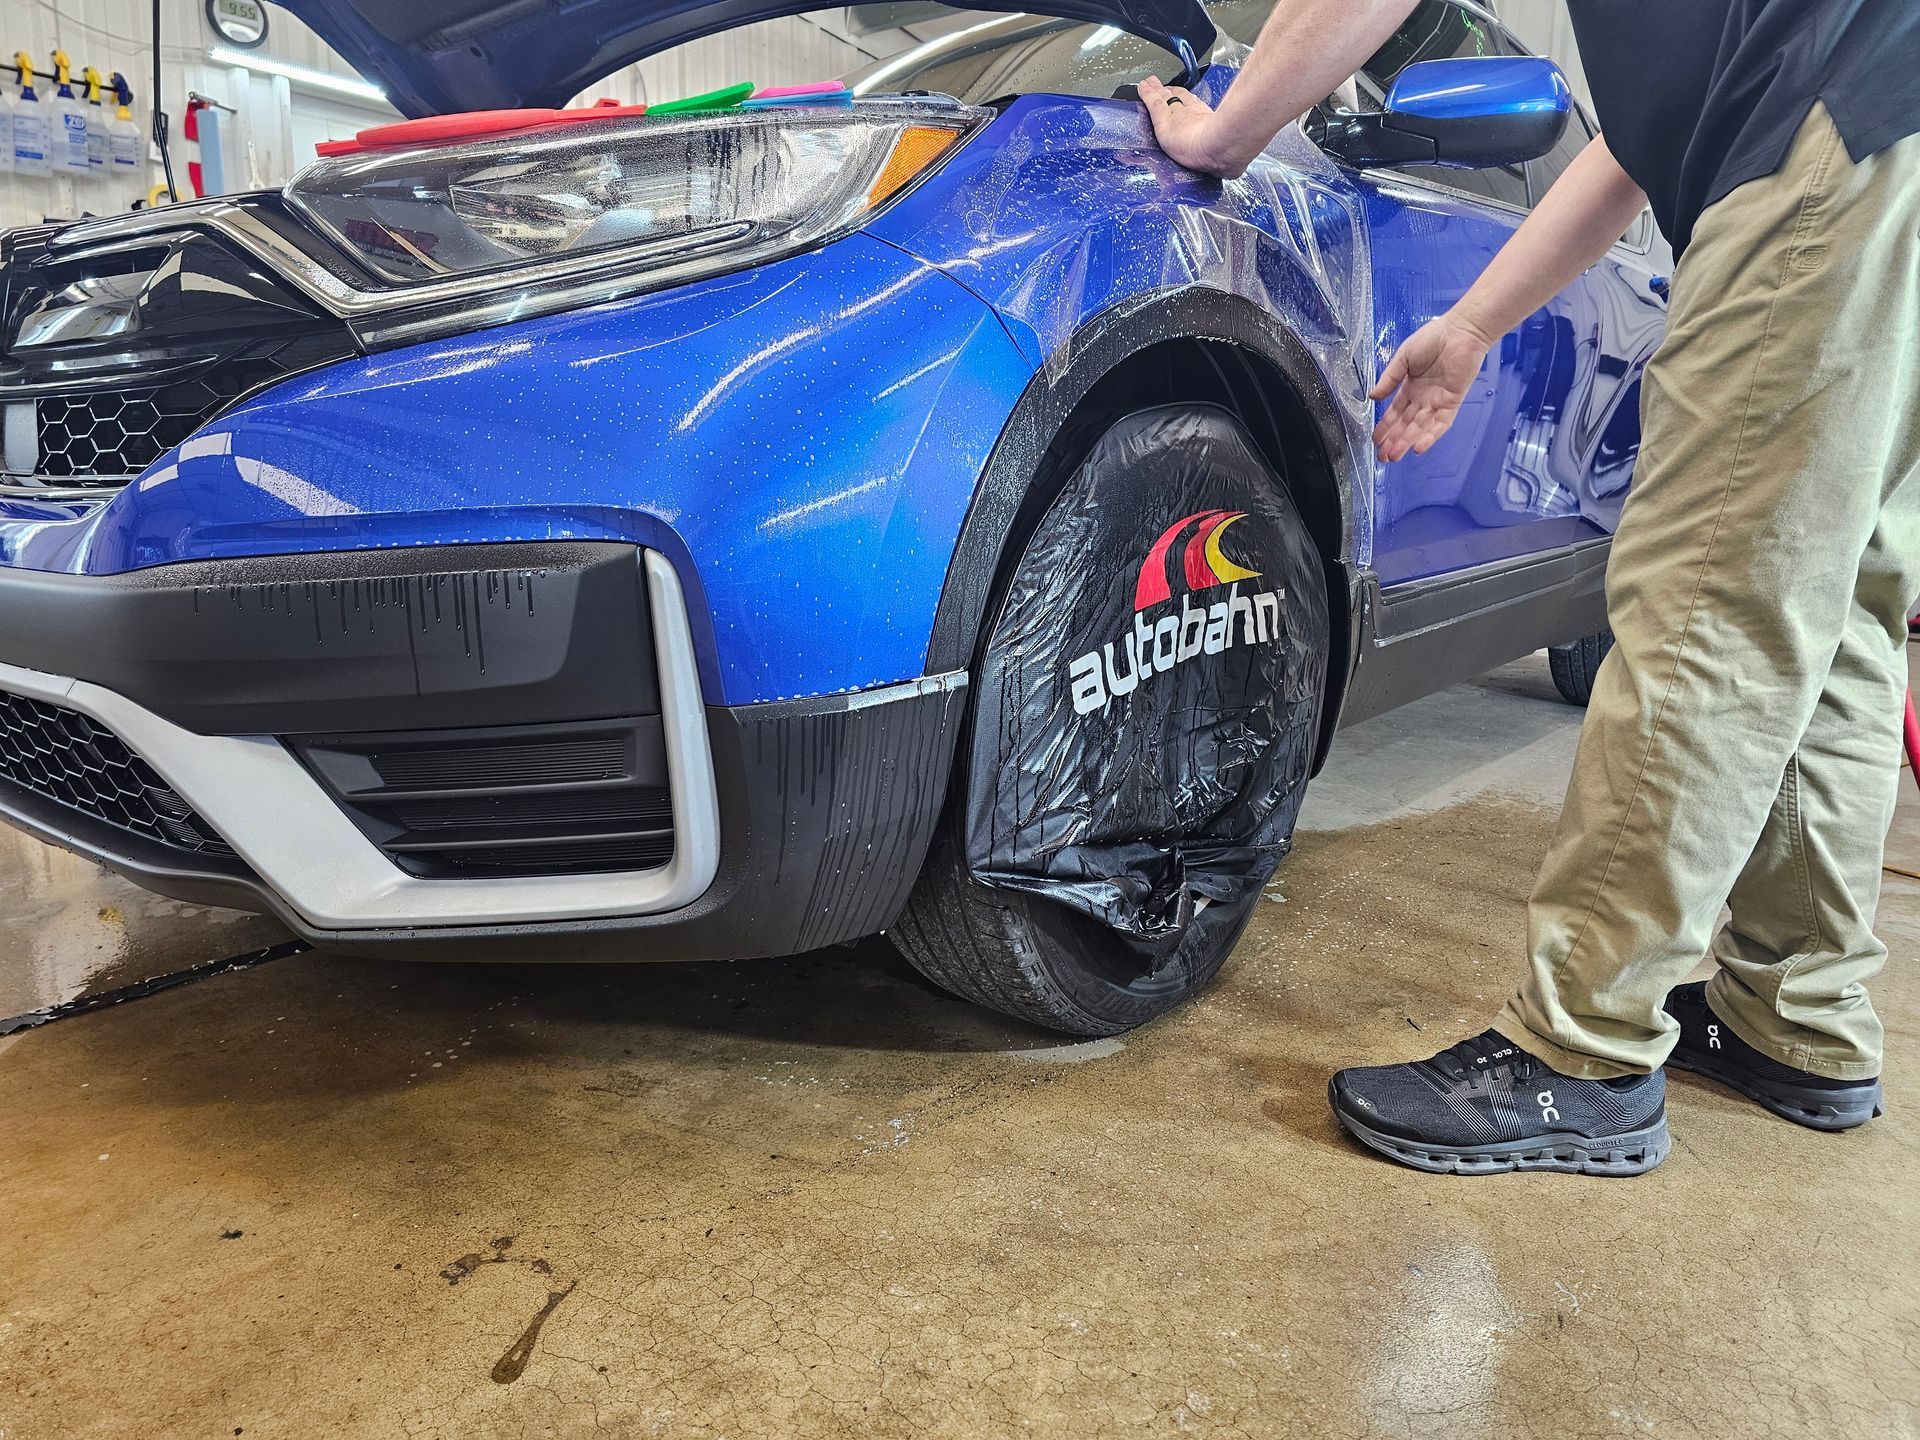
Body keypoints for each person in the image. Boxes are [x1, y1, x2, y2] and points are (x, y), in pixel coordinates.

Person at [1143, 0, 1920, 1175]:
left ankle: (1581, 1053)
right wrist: (1468, 327)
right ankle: (1798, 1021)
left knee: (1709, 594)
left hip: (1832, 138)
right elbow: (1628, 158)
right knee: (1831, 603)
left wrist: (1222, 133)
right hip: (1884, 139)